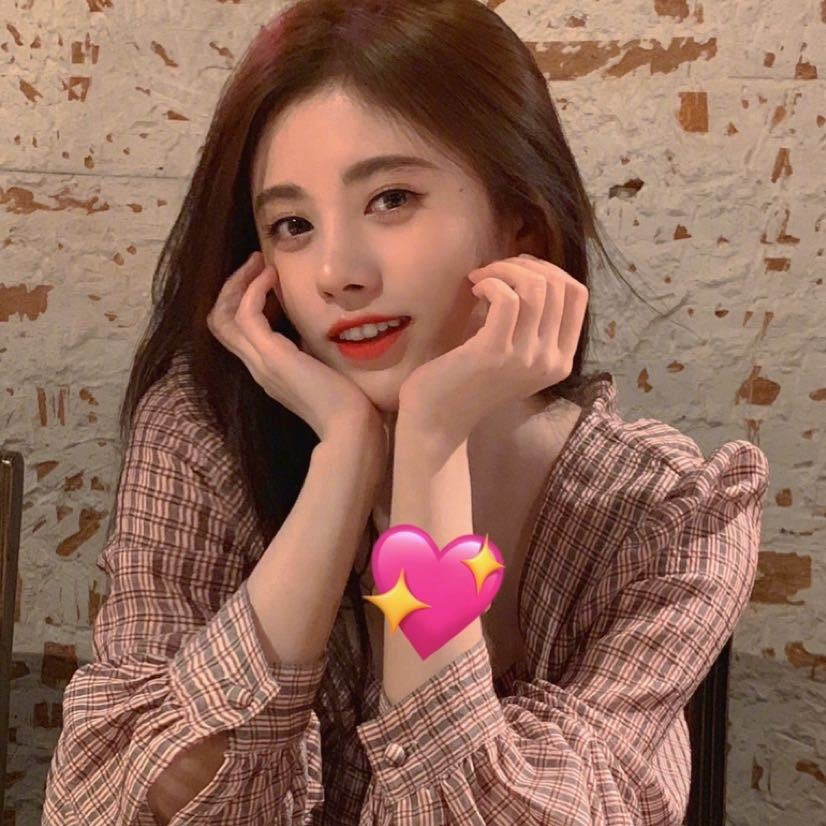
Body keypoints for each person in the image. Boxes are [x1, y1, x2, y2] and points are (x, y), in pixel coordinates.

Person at [42, 1, 770, 824]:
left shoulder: (668, 516)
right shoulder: (203, 437)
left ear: (522, 229)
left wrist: (430, 444)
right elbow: (114, 807)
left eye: (391, 199)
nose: (337, 272)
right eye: (292, 225)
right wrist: (343, 461)